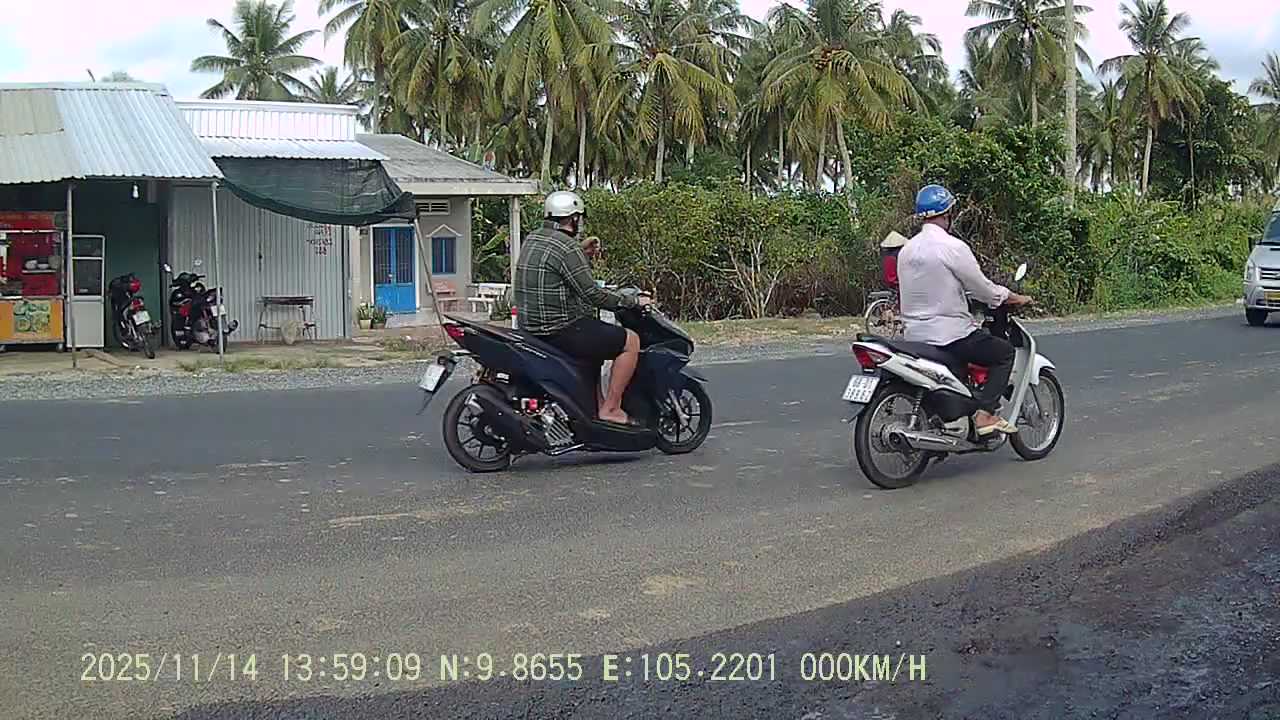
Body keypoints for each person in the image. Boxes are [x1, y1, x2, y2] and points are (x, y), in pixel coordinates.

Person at [897, 184, 1033, 436]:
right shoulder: (953, 247)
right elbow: (983, 288)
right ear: (948, 213)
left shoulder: (906, 250)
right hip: (950, 335)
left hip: (914, 335)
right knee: (1003, 353)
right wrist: (1010, 297)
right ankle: (985, 415)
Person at [513, 190, 651, 426]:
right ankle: (611, 409)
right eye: (579, 218)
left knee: (594, 342)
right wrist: (633, 301)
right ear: (573, 218)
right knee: (631, 341)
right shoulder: (567, 247)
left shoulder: (533, 238)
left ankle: (594, 405)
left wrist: (582, 252)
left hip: (530, 326)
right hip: (559, 329)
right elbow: (592, 294)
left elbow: (556, 265)